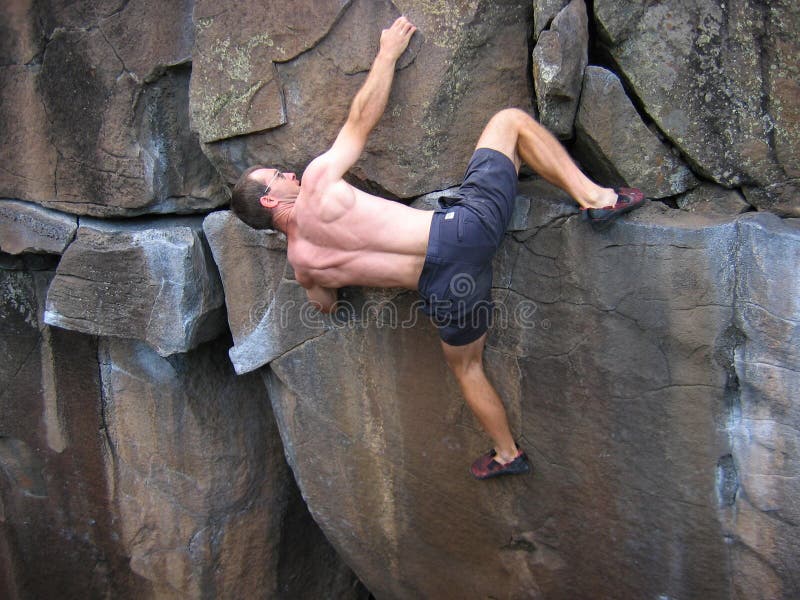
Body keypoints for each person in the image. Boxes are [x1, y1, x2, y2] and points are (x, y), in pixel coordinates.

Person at [231, 16, 644, 479]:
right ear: (270, 200)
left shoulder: (302, 265)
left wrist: (327, 291)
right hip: (463, 232)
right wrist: (387, 53)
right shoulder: (317, 184)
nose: (286, 173)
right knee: (509, 123)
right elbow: (360, 119)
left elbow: (324, 304)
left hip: (447, 288)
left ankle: (507, 454)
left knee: (467, 368)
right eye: (275, 176)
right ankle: (598, 200)